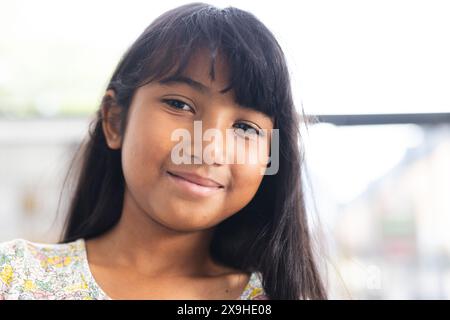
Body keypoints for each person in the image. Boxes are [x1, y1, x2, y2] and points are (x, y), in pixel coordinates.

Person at [0, 2, 326, 300]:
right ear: (115, 120)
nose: (208, 148)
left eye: (245, 128)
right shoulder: (15, 276)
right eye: (179, 104)